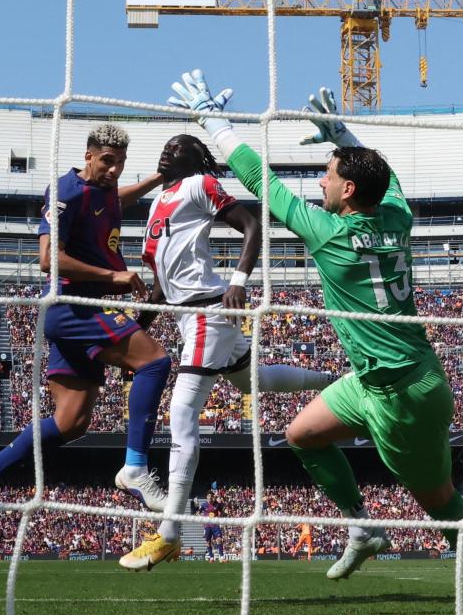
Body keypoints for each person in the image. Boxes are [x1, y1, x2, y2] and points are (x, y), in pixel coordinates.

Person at [164, 70, 463, 613]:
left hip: (403, 394)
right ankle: (361, 527)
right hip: (377, 379)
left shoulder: (330, 234)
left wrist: (214, 122)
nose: (321, 183)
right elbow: (389, 178)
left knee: (439, 499)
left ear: (348, 190)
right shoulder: (398, 217)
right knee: (302, 435)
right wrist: (342, 136)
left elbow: (262, 181)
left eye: (328, 175)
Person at [119, 134, 334, 570]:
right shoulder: (156, 204)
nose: (168, 148)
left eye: (179, 146)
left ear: (196, 158)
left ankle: (169, 533)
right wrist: (131, 335)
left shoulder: (200, 183)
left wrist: (239, 280)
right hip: (189, 315)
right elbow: (161, 286)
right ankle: (334, 381)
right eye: (168, 143)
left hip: (208, 312)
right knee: (249, 380)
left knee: (182, 413)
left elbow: (252, 224)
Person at [0, 124, 176, 530]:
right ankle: (136, 468)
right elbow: (47, 258)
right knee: (155, 362)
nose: (114, 170)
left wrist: (157, 179)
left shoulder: (102, 191)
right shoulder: (65, 192)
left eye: (121, 163)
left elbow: (113, 199)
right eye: (107, 161)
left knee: (72, 422)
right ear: (88, 156)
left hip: (83, 307)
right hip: (71, 304)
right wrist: (114, 278)